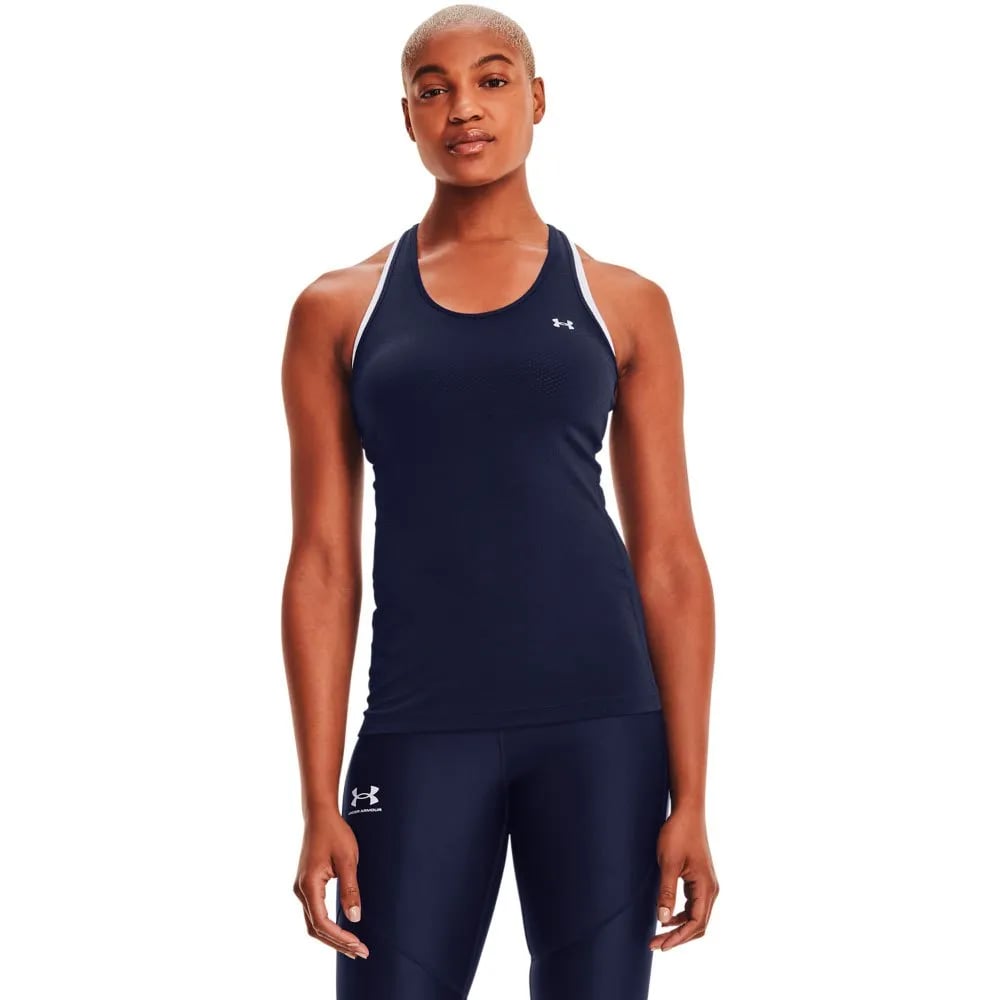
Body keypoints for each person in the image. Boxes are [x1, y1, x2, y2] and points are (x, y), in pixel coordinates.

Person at [280, 5, 719, 997]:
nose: (463, 109)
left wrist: (691, 793)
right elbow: (322, 564)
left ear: (537, 98)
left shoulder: (623, 302)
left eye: (490, 80)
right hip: (417, 726)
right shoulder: (339, 309)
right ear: (406, 116)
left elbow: (668, 559)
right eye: (432, 89)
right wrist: (317, 799)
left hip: (603, 728)